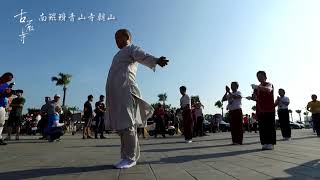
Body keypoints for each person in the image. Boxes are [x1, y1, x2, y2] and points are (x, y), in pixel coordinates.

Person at [104, 29, 169, 169]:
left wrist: (156, 60)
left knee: (128, 123)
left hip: (126, 90)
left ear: (126, 37)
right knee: (121, 125)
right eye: (114, 38)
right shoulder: (117, 55)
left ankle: (131, 158)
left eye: (118, 37)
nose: (116, 40)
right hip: (116, 93)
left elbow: (143, 56)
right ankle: (125, 156)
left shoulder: (131, 48)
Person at [249, 71, 276, 150]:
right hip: (260, 109)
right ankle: (264, 142)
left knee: (269, 126)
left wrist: (258, 87)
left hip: (269, 108)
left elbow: (268, 90)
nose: (259, 78)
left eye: (261, 76)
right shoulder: (257, 87)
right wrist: (252, 97)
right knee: (262, 127)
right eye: (258, 76)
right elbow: (256, 98)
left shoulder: (268, 84)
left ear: (265, 77)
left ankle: (270, 143)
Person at [0, 72, 14, 145]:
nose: (8, 81)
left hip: (1, 106)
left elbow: (7, 95)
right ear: (4, 76)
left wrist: (9, 93)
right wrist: (3, 93)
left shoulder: (6, 85)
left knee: (1, 123)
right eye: (7, 79)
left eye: (9, 80)